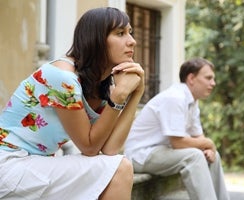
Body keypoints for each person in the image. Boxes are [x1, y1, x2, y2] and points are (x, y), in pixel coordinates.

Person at [0, 7, 144, 200]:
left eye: (130, 33)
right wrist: (118, 97)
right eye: (120, 33)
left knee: (116, 167)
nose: (132, 41)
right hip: (9, 164)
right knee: (120, 169)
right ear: (97, 39)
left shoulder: (99, 86)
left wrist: (135, 94)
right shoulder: (62, 77)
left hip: (33, 165)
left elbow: (109, 150)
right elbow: (89, 147)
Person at [124, 58, 230, 200]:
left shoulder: (192, 101)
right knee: (195, 156)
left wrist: (209, 149)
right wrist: (208, 144)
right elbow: (178, 143)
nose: (213, 83)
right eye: (208, 78)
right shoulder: (175, 97)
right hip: (141, 155)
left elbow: (198, 136)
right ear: (191, 78)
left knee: (212, 156)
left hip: (163, 152)